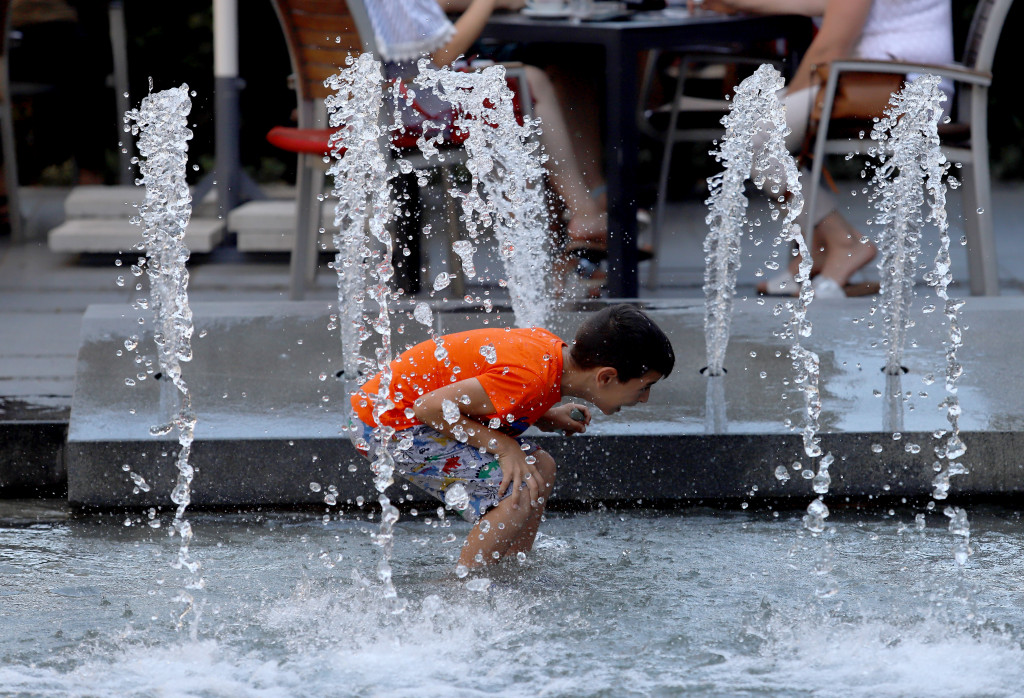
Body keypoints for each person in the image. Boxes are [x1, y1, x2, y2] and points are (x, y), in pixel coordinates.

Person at [350, 304, 675, 571]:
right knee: (516, 491)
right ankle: (464, 589)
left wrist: (545, 415)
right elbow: (429, 407)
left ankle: (511, 567)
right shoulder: (530, 379)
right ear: (606, 377)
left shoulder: (550, 357)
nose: (644, 398)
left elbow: (490, 389)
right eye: (644, 386)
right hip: (388, 424)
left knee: (540, 466)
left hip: (400, 413)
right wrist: (503, 446)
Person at [694, 0, 954, 298]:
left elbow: (830, 48)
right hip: (886, 78)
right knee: (756, 128)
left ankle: (844, 243)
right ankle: (819, 248)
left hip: (896, 86)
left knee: (754, 137)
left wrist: (787, 104)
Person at [364, 0, 609, 254]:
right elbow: (443, 55)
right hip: (414, 111)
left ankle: (575, 227)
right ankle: (581, 215)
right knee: (531, 83)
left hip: (376, 106)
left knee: (528, 80)